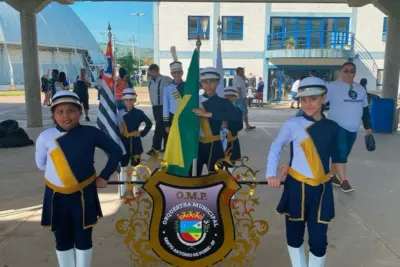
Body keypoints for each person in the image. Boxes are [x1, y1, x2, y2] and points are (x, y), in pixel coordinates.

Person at [266, 77, 347, 267]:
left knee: (319, 240)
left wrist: (340, 178)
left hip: (321, 189)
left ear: (323, 98)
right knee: (294, 235)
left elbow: (335, 159)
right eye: (303, 99)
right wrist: (271, 173)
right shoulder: (293, 124)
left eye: (313, 99)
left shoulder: (333, 128)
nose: (308, 104)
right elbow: (276, 147)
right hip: (296, 187)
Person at [35, 90, 122, 267]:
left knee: (84, 237)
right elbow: (41, 164)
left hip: (84, 194)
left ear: (80, 112)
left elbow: (116, 151)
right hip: (56, 195)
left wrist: (104, 176)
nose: (66, 116)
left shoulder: (91, 133)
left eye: (71, 110)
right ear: (53, 115)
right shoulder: (45, 137)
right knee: (61, 238)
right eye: (59, 112)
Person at [326, 62, 372, 192]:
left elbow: (365, 109)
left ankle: (331, 175)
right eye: (345, 71)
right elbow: (320, 104)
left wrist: (368, 125)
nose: (348, 73)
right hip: (336, 126)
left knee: (341, 154)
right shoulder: (332, 87)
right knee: (341, 153)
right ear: (341, 72)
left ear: (355, 73)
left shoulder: (360, 89)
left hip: (353, 128)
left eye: (351, 71)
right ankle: (344, 181)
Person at [192, 67, 241, 175]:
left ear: (218, 83)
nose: (209, 85)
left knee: (216, 177)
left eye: (212, 82)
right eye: (205, 82)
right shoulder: (194, 100)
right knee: (193, 176)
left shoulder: (224, 102)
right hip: (195, 145)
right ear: (201, 83)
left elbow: (236, 118)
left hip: (215, 146)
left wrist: (210, 114)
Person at [117, 88, 152, 197]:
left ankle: (135, 189)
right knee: (123, 166)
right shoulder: (119, 113)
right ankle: (122, 189)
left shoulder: (139, 113)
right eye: (126, 100)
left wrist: (141, 133)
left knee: (135, 165)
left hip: (135, 142)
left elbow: (149, 123)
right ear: (123, 101)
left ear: (134, 100)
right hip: (123, 142)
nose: (129, 102)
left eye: (131, 99)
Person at [147, 64, 172, 156]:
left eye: (152, 73)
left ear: (157, 71)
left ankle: (155, 148)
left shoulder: (166, 80)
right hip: (155, 107)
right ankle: (166, 147)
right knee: (163, 127)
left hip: (164, 107)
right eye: (150, 73)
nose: (151, 75)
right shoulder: (150, 80)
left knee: (159, 128)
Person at [163, 49, 185, 135]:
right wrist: (166, 124)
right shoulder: (167, 88)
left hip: (185, 117)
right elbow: (166, 106)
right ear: (171, 74)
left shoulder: (187, 86)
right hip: (173, 117)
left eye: (179, 72)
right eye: (174, 73)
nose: (176, 75)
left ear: (182, 73)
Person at [223, 86, 243, 169]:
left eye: (231, 96)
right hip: (219, 143)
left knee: (230, 166)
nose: (229, 98)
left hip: (232, 142)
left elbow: (239, 126)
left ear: (235, 97)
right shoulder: (217, 110)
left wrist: (228, 125)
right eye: (227, 96)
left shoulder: (238, 111)